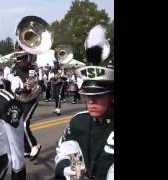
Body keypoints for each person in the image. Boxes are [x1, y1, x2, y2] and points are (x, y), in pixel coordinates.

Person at [55, 25, 114, 180]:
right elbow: (63, 151)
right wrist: (64, 167)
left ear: (112, 97)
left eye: (98, 96)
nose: (91, 101)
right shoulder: (78, 121)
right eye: (87, 95)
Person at [11, 48, 42, 161]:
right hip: (20, 99)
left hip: (31, 100)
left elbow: (39, 84)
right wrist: (20, 90)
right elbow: (14, 85)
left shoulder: (34, 68)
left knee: (24, 124)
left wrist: (32, 87)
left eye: (22, 58)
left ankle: (34, 145)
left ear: (27, 58)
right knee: (19, 125)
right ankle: (27, 149)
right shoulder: (15, 69)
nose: (20, 61)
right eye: (18, 59)